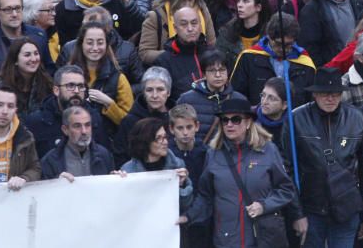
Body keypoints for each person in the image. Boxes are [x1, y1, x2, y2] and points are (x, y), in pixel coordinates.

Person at [181, 96, 300, 247]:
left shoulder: (268, 150)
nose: (229, 124)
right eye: (225, 120)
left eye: (236, 119)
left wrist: (264, 205)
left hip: (263, 238)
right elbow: (205, 196)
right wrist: (188, 217)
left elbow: (286, 189)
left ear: (248, 122)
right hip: (227, 238)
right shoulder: (213, 154)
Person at [281, 67, 363, 248]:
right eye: (324, 93)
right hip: (311, 209)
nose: (330, 98)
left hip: (346, 209)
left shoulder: (357, 118)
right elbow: (287, 172)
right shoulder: (295, 120)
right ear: (315, 94)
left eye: (335, 93)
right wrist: (297, 214)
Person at [231, 13, 317, 109]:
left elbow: (311, 102)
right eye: (279, 44)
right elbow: (236, 96)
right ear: (269, 37)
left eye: (289, 44)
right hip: (257, 121)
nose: (283, 49)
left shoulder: (305, 64)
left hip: (294, 121)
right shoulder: (248, 57)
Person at [23, 64, 109, 159]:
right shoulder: (37, 122)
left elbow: (103, 158)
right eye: (70, 86)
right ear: (56, 90)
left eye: (81, 86)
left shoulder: (94, 117)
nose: (76, 91)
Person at [178, 49, 247, 144]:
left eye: (222, 70)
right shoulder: (186, 100)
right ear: (203, 74)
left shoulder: (240, 100)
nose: (218, 75)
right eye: (212, 71)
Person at [119, 117, 193, 206]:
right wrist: (117, 183)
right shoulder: (128, 170)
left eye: (165, 137)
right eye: (159, 138)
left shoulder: (177, 165)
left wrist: (182, 185)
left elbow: (185, 205)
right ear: (145, 141)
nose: (165, 142)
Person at [39, 104, 116, 180]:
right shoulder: (50, 161)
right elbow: (44, 190)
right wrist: (57, 182)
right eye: (77, 126)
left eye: (87, 125)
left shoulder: (104, 155)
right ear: (65, 130)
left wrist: (116, 179)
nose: (84, 131)